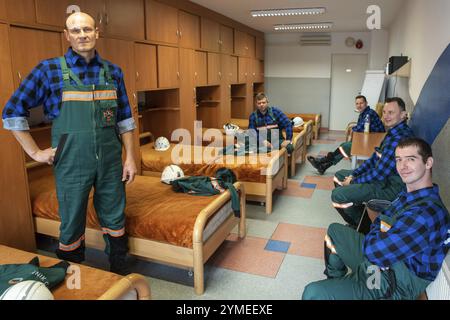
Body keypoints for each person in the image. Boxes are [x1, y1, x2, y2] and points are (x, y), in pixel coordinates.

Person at [1, 12, 137, 275]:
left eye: (87, 29)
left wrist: (130, 157)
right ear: (67, 35)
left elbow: (125, 120)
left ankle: (119, 275)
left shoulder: (113, 72)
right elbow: (12, 110)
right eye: (75, 31)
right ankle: (74, 280)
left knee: (115, 214)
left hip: (110, 160)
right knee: (72, 219)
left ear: (97, 32)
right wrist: (35, 152)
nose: (82, 35)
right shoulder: (49, 70)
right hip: (72, 161)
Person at [302, 137, 450, 300]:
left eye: (411, 159)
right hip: (383, 262)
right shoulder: (409, 195)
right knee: (335, 232)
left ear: (428, 163)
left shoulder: (426, 213)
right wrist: (379, 238)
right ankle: (337, 284)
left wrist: (379, 239)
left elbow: (375, 251)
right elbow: (380, 222)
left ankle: (343, 290)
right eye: (399, 160)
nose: (403, 166)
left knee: (312, 293)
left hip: (391, 282)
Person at [331, 97, 413, 228]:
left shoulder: (399, 138)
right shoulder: (392, 132)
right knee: (340, 175)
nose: (386, 116)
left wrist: (352, 181)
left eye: (391, 112)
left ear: (403, 115)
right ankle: (359, 213)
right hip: (382, 180)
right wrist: (355, 174)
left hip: (390, 188)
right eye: (384, 112)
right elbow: (374, 159)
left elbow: (379, 173)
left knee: (337, 195)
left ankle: (360, 224)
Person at [307, 95, 385, 174]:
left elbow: (360, 128)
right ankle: (323, 166)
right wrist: (354, 129)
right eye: (357, 103)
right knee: (344, 146)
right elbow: (360, 127)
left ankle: (323, 161)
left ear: (366, 103)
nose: (359, 105)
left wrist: (353, 129)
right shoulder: (364, 113)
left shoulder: (369, 113)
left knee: (345, 147)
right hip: (369, 139)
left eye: (361, 103)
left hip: (374, 143)